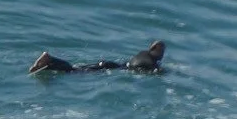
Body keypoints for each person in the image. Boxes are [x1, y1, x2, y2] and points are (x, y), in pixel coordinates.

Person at [28, 41, 166, 76]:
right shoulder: (152, 61)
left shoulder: (142, 53)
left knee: (77, 69)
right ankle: (50, 60)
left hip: (111, 64)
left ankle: (50, 62)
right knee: (76, 72)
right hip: (112, 67)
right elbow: (155, 71)